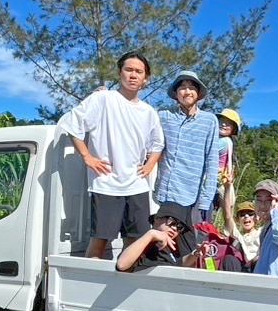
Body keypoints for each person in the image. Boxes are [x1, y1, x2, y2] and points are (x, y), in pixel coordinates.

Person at [58, 51, 165, 259]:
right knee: (100, 239)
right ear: (119, 73)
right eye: (129, 70)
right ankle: (91, 285)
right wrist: (87, 157)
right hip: (106, 183)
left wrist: (150, 164)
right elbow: (73, 125)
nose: (133, 75)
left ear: (146, 79)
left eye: (139, 72)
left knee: (134, 241)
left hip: (136, 185)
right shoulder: (102, 99)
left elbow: (158, 144)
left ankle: (123, 285)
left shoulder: (149, 112)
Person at [155, 70, 219, 226]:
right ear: (176, 93)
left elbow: (212, 161)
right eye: (182, 87)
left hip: (192, 197)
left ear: (198, 93)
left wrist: (206, 199)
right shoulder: (164, 116)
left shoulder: (209, 121)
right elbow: (138, 117)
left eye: (192, 87)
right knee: (161, 243)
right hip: (165, 193)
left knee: (189, 247)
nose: (187, 91)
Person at [115, 203, 201, 272]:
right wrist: (151, 234)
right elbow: (122, 265)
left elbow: (177, 264)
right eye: (172, 222)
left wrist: (195, 254)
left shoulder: (170, 246)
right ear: (157, 219)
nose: (175, 228)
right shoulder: (143, 242)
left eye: (179, 227)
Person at [233, 201, 261, 267]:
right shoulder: (238, 236)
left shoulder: (261, 232)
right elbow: (228, 218)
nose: (246, 216)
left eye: (250, 214)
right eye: (242, 214)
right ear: (237, 219)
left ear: (257, 217)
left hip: (258, 267)